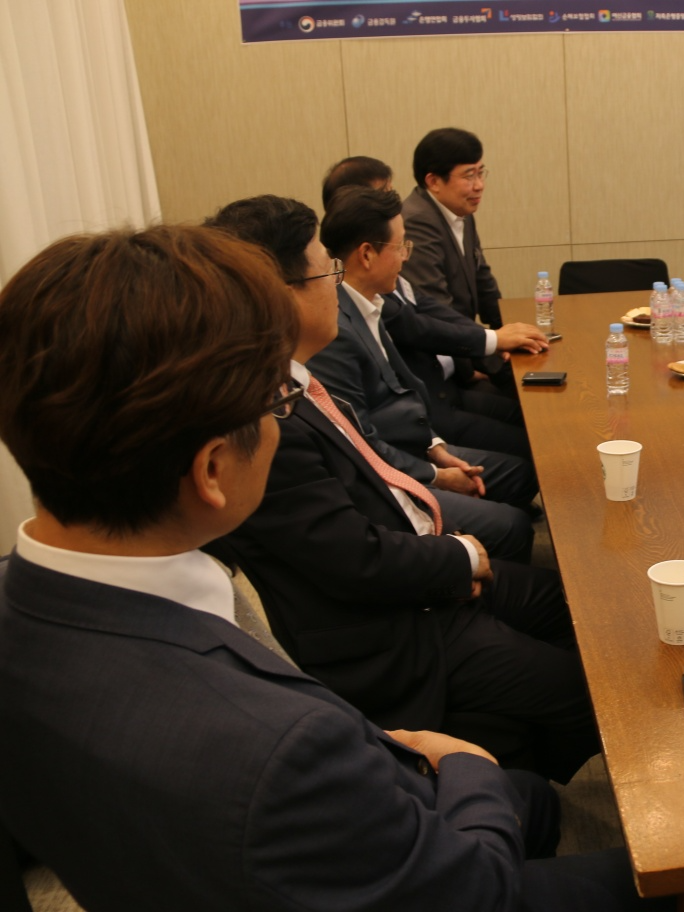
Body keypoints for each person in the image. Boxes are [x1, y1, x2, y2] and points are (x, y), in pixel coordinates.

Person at [0, 225, 661, 911]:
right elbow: (475, 891)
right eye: (277, 401)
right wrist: (465, 767)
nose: (285, 419)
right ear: (213, 469)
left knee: (533, 795)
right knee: (674, 877)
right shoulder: (280, 748)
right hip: (400, 851)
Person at [204, 196, 599, 783]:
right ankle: (511, 791)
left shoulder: (296, 381)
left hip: (418, 564)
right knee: (579, 691)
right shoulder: (268, 421)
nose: (337, 286)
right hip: (397, 624)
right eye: (326, 272)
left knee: (579, 610)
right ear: (276, 293)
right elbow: (355, 560)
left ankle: (504, 747)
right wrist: (458, 556)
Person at [323, 156, 546, 428]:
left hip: (443, 390)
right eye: (384, 195)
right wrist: (492, 341)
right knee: (528, 446)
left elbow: (429, 306)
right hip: (428, 412)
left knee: (533, 421)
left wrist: (493, 338)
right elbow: (418, 327)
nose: (395, 203)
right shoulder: (357, 291)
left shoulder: (379, 270)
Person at [401, 127, 510, 392]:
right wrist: (475, 365)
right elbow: (438, 309)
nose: (479, 185)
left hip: (468, 345)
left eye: (480, 172)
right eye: (468, 175)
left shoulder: (459, 208)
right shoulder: (417, 222)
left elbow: (483, 279)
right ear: (434, 181)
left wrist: (506, 332)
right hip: (447, 363)